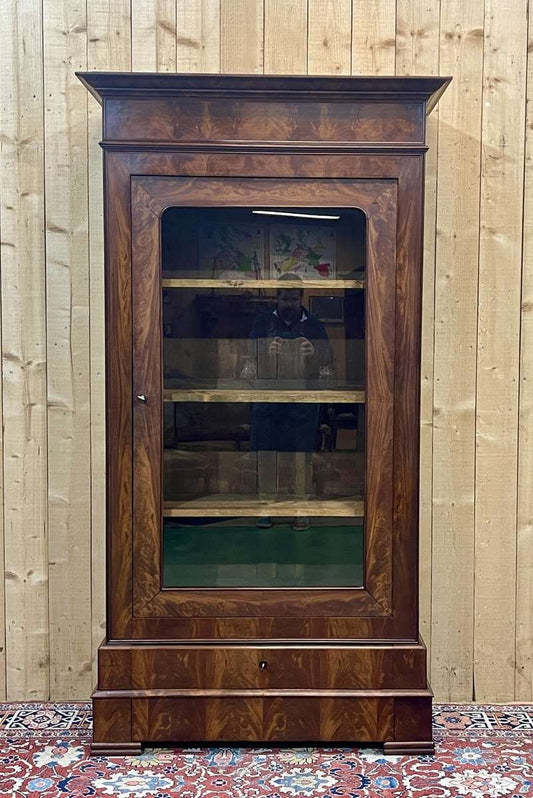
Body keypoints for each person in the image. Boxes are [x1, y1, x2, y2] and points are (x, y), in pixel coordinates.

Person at [240, 274, 334, 530]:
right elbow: (246, 369)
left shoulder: (314, 326)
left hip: (302, 403)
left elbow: (328, 371)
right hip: (268, 401)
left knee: (301, 456)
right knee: (267, 455)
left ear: (301, 298)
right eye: (284, 298)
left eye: (293, 298)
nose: (289, 304)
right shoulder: (262, 324)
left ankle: (300, 508)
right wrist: (265, 355)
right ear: (277, 297)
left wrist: (314, 354)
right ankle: (266, 509)